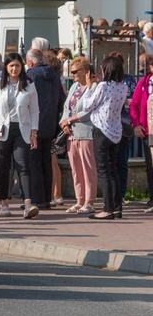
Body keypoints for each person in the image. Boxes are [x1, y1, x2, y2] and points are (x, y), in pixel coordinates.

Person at [0, 52, 39, 218]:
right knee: (3, 166)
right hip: (2, 129)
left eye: (17, 65)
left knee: (23, 165)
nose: (14, 69)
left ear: (22, 67)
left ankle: (28, 204)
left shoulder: (29, 84)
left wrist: (34, 132)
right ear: (6, 68)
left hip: (22, 129)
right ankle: (4, 204)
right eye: (11, 66)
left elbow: (34, 110)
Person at [78, 56, 128, 220]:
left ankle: (107, 209)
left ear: (106, 70)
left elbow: (87, 105)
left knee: (104, 171)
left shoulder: (102, 86)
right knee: (113, 170)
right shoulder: (123, 87)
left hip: (101, 130)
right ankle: (116, 207)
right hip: (115, 131)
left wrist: (90, 86)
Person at [26, 48, 66, 208]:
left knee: (34, 162)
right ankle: (47, 198)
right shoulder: (55, 76)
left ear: (30, 62)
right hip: (50, 124)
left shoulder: (30, 75)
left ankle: (37, 199)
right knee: (47, 162)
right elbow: (62, 98)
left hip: (33, 125)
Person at [59, 57, 97, 214]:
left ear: (85, 71)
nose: (72, 74)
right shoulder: (74, 86)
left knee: (88, 167)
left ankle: (90, 200)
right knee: (76, 168)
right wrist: (64, 123)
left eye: (75, 71)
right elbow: (66, 106)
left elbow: (89, 110)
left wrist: (70, 119)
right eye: (71, 71)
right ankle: (79, 199)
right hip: (71, 133)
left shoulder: (93, 87)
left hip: (86, 131)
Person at [129, 54, 153, 207]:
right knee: (150, 165)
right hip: (149, 130)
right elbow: (134, 105)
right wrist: (137, 124)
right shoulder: (144, 83)